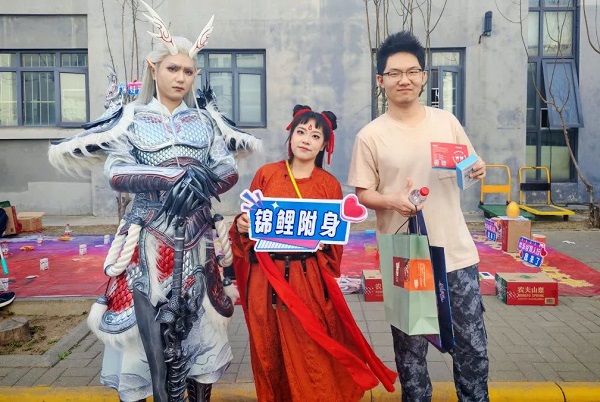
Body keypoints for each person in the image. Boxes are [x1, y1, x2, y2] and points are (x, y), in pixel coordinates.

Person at [48, 2, 260, 401]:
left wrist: (202, 178)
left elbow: (227, 168)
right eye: (172, 68)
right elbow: (115, 172)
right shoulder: (131, 118)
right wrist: (173, 176)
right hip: (146, 237)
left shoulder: (205, 121)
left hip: (199, 239)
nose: (180, 77)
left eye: (188, 71)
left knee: (204, 331)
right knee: (139, 344)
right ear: (154, 68)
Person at [348, 31, 489, 402]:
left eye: (412, 71)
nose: (404, 80)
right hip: (406, 260)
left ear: (424, 76)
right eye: (394, 73)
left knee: (473, 351)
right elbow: (363, 193)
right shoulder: (370, 136)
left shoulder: (447, 123)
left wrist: (477, 169)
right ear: (381, 80)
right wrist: (392, 200)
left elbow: (469, 166)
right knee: (411, 357)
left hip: (455, 254)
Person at [228, 105, 396, 402]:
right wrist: (242, 224)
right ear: (291, 136)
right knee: (268, 352)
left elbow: (334, 247)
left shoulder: (328, 185)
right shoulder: (267, 175)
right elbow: (247, 226)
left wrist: (321, 247)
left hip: (307, 282)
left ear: (324, 146)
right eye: (301, 131)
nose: (306, 139)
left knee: (311, 352)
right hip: (265, 281)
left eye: (315, 135)